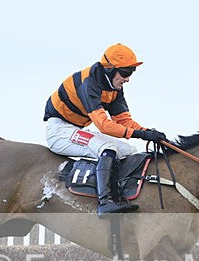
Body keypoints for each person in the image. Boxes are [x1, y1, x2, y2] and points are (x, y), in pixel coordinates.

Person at [44, 43, 168, 217]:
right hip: (59, 131)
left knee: (129, 151)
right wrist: (142, 134)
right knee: (107, 149)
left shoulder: (114, 88)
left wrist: (149, 132)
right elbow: (103, 125)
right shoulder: (89, 82)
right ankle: (105, 203)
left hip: (75, 129)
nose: (128, 79)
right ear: (109, 69)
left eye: (131, 73)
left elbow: (123, 121)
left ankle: (120, 197)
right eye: (125, 73)